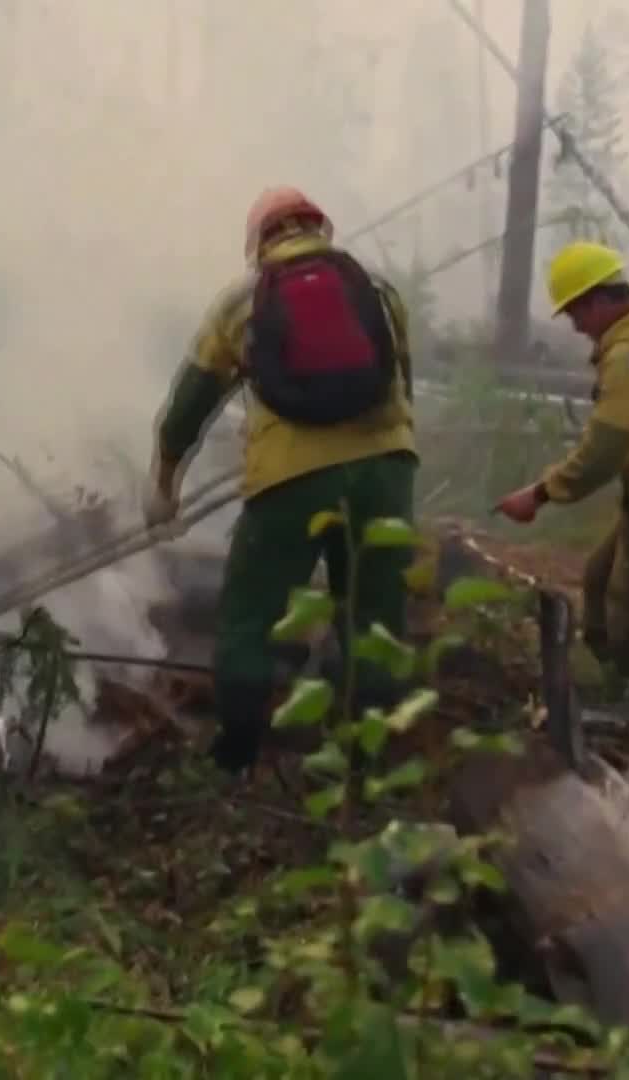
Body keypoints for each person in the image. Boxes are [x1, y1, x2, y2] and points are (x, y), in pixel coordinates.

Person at [145, 186, 417, 774]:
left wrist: (165, 477)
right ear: (319, 226)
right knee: (373, 616)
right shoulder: (376, 291)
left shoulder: (242, 301)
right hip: (385, 472)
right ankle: (366, 761)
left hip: (290, 482)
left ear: (259, 241)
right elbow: (402, 383)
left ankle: (236, 756)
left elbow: (193, 401)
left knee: (251, 616)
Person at [493, 241, 629, 683]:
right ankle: (605, 673)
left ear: (603, 300)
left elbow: (605, 450)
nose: (577, 327)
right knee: (597, 579)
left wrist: (539, 493)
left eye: (577, 314)